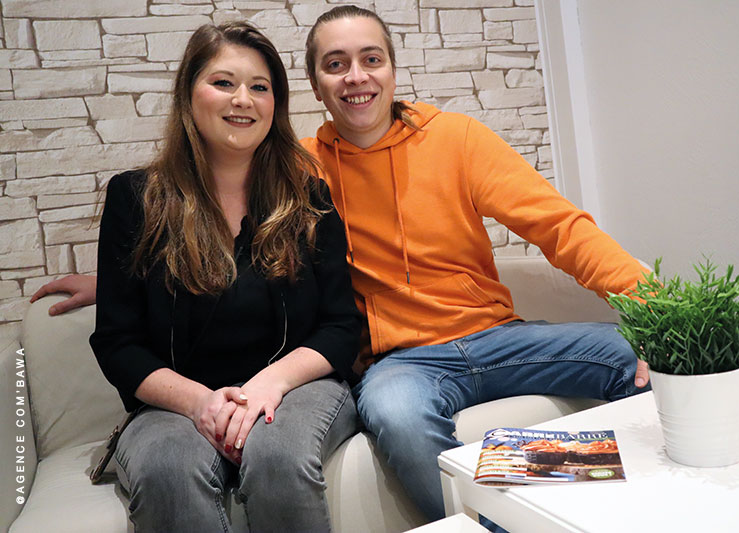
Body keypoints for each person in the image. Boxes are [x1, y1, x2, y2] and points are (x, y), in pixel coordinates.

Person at [33, 5, 650, 523]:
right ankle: (496, 524)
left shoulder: (457, 140)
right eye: (335, 64)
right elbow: (208, 230)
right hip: (400, 364)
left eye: (370, 59)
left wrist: (657, 308)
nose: (356, 77)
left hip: (496, 337)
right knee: (399, 417)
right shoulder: (303, 170)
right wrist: (115, 279)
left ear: (392, 69)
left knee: (640, 356)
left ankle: (621, 509)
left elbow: (559, 228)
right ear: (316, 85)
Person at [85, 21, 361, 532]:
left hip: (296, 389)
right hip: (175, 404)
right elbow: (118, 342)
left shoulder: (309, 199)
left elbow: (342, 327)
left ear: (275, 104)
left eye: (260, 87)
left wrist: (267, 386)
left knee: (277, 456)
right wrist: (200, 402)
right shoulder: (136, 199)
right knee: (168, 470)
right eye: (223, 82)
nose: (243, 100)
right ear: (188, 94)